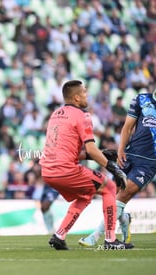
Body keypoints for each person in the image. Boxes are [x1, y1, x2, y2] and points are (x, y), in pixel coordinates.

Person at [39, 80, 132, 250]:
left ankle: (59, 235)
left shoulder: (55, 114)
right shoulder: (83, 116)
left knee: (85, 195)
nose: (87, 95)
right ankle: (111, 240)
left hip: (47, 171)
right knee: (109, 187)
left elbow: (72, 152)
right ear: (76, 97)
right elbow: (90, 147)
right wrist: (112, 167)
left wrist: (100, 154)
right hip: (65, 170)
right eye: (84, 92)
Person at [79, 89, 156, 247]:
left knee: (123, 195)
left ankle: (96, 236)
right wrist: (121, 150)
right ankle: (123, 219)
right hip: (129, 155)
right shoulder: (142, 99)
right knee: (114, 195)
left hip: (149, 163)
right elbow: (127, 127)